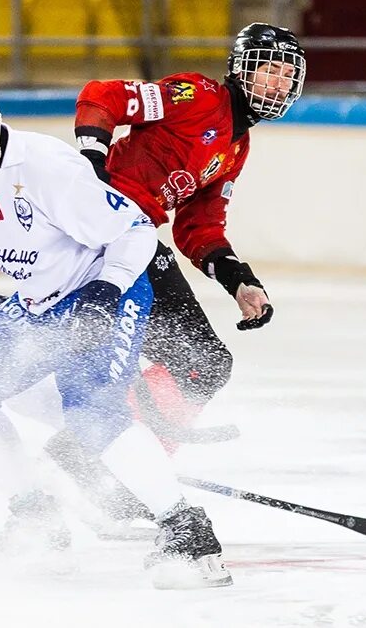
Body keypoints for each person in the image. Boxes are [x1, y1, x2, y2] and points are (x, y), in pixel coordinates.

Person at [0, 70, 231, 587]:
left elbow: (135, 234)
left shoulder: (50, 167)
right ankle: (37, 522)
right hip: (37, 302)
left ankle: (188, 533)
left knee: (93, 409)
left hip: (106, 291)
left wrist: (104, 295)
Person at [73, 23, 306, 445]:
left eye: (288, 75)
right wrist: (94, 164)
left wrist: (239, 281)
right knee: (198, 362)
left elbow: (199, 226)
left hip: (138, 240)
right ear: (242, 68)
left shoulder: (237, 145)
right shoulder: (197, 96)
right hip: (105, 236)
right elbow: (102, 95)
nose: (280, 82)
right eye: (271, 69)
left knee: (204, 364)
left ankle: (120, 450)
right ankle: (104, 449)